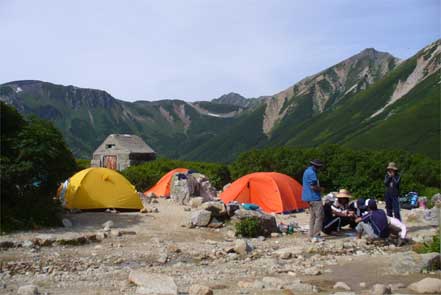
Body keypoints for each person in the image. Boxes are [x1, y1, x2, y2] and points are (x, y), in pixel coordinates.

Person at [302, 159, 324, 242]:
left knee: (313, 217)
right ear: (317, 166)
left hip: (308, 197)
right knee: (319, 216)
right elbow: (313, 186)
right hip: (314, 197)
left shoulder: (307, 171)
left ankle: (311, 235)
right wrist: (321, 189)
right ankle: (316, 235)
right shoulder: (312, 173)